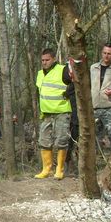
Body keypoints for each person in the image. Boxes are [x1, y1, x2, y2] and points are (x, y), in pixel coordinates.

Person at [35, 48, 73, 179]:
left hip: (61, 111)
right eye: (42, 60)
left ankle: (60, 170)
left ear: (54, 59)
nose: (44, 62)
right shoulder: (40, 73)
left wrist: (68, 93)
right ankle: (46, 169)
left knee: (61, 140)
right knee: (44, 141)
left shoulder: (63, 70)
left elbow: (75, 83)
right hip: (46, 113)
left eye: (47, 60)